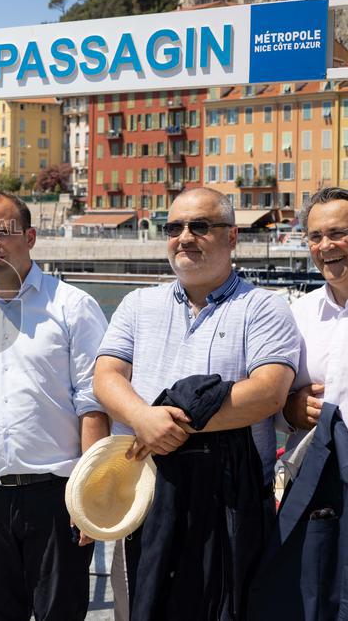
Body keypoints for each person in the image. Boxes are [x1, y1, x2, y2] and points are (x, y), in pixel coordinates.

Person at [93, 187, 300, 619]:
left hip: (229, 506)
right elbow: (106, 376)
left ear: (231, 237)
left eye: (200, 226)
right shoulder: (137, 304)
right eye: (173, 227)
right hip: (145, 498)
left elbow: (268, 392)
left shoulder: (263, 308)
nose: (184, 237)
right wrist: (140, 417)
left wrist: (169, 428)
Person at [0, 191, 109, 620]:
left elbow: (94, 405)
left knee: (60, 614)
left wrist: (92, 496)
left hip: (58, 496)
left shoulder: (73, 307)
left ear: (29, 237)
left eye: (3, 232)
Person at [283, 187, 348, 433]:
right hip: (312, 468)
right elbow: (274, 401)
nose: (325, 246)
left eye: (337, 233)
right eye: (315, 237)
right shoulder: (296, 314)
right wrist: (290, 410)